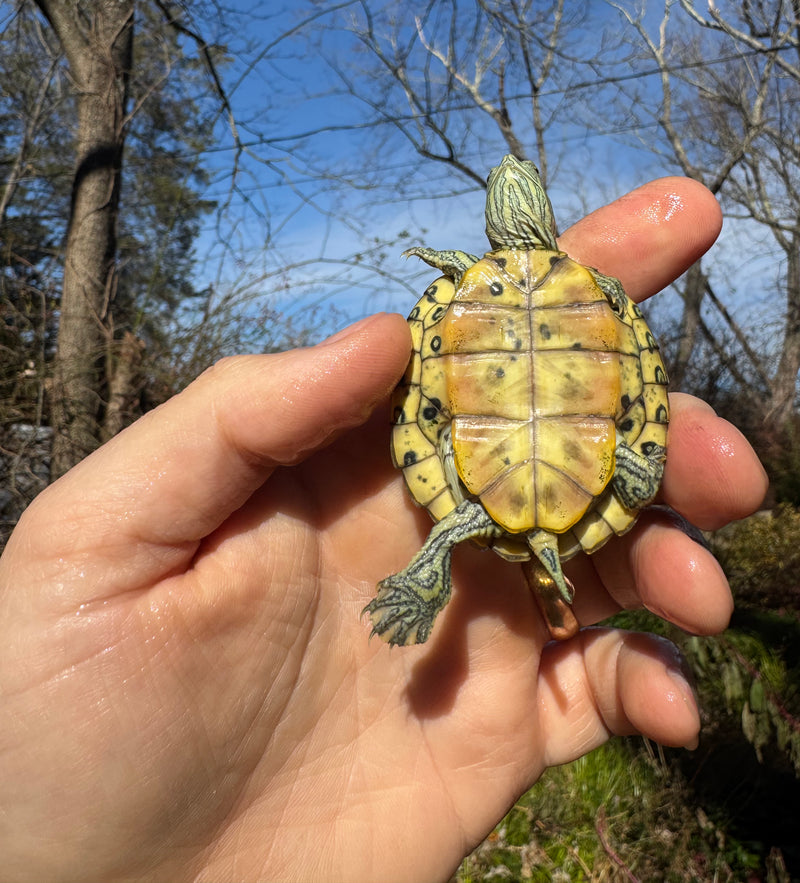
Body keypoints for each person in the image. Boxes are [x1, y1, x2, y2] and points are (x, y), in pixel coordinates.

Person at [0, 175, 767, 883]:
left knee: (508, 491)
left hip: (481, 501)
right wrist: (634, 458)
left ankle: (447, 543)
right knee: (633, 468)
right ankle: (551, 505)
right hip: (589, 483)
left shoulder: (469, 288)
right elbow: (634, 369)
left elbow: (432, 381)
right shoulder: (595, 294)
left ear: (505, 219)